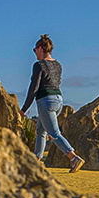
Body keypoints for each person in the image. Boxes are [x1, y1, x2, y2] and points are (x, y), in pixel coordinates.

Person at [21, 34, 85, 173]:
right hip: (58, 100)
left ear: (40, 48)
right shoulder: (58, 65)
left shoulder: (39, 65)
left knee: (54, 133)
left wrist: (24, 109)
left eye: (35, 50)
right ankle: (36, 161)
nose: (34, 53)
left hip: (46, 101)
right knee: (40, 131)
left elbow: (34, 88)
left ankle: (73, 157)